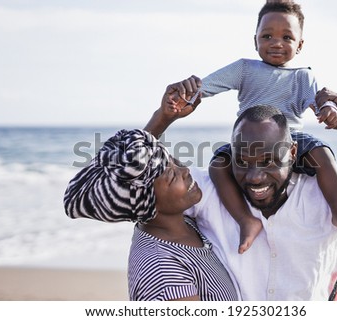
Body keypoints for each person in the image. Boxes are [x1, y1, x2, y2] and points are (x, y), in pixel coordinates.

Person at [149, 75, 337, 300]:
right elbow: (133, 184)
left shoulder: (331, 189)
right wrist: (164, 118)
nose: (255, 177)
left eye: (269, 161)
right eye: (243, 162)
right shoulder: (208, 190)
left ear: (292, 152)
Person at [202, 0, 337, 253]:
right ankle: (246, 220)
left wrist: (329, 111)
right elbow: (206, 86)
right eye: (267, 36)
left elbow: (318, 102)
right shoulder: (244, 68)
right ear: (255, 40)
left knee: (322, 153)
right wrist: (187, 92)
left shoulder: (303, 75)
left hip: (289, 139)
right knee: (218, 164)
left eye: (287, 37)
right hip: (249, 143)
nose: (276, 43)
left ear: (299, 45)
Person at [63, 85, 239, 301]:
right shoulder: (163, 272)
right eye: (173, 176)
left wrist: (164, 117)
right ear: (147, 203)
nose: (185, 170)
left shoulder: (180, 224)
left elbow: (136, 171)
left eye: (175, 162)